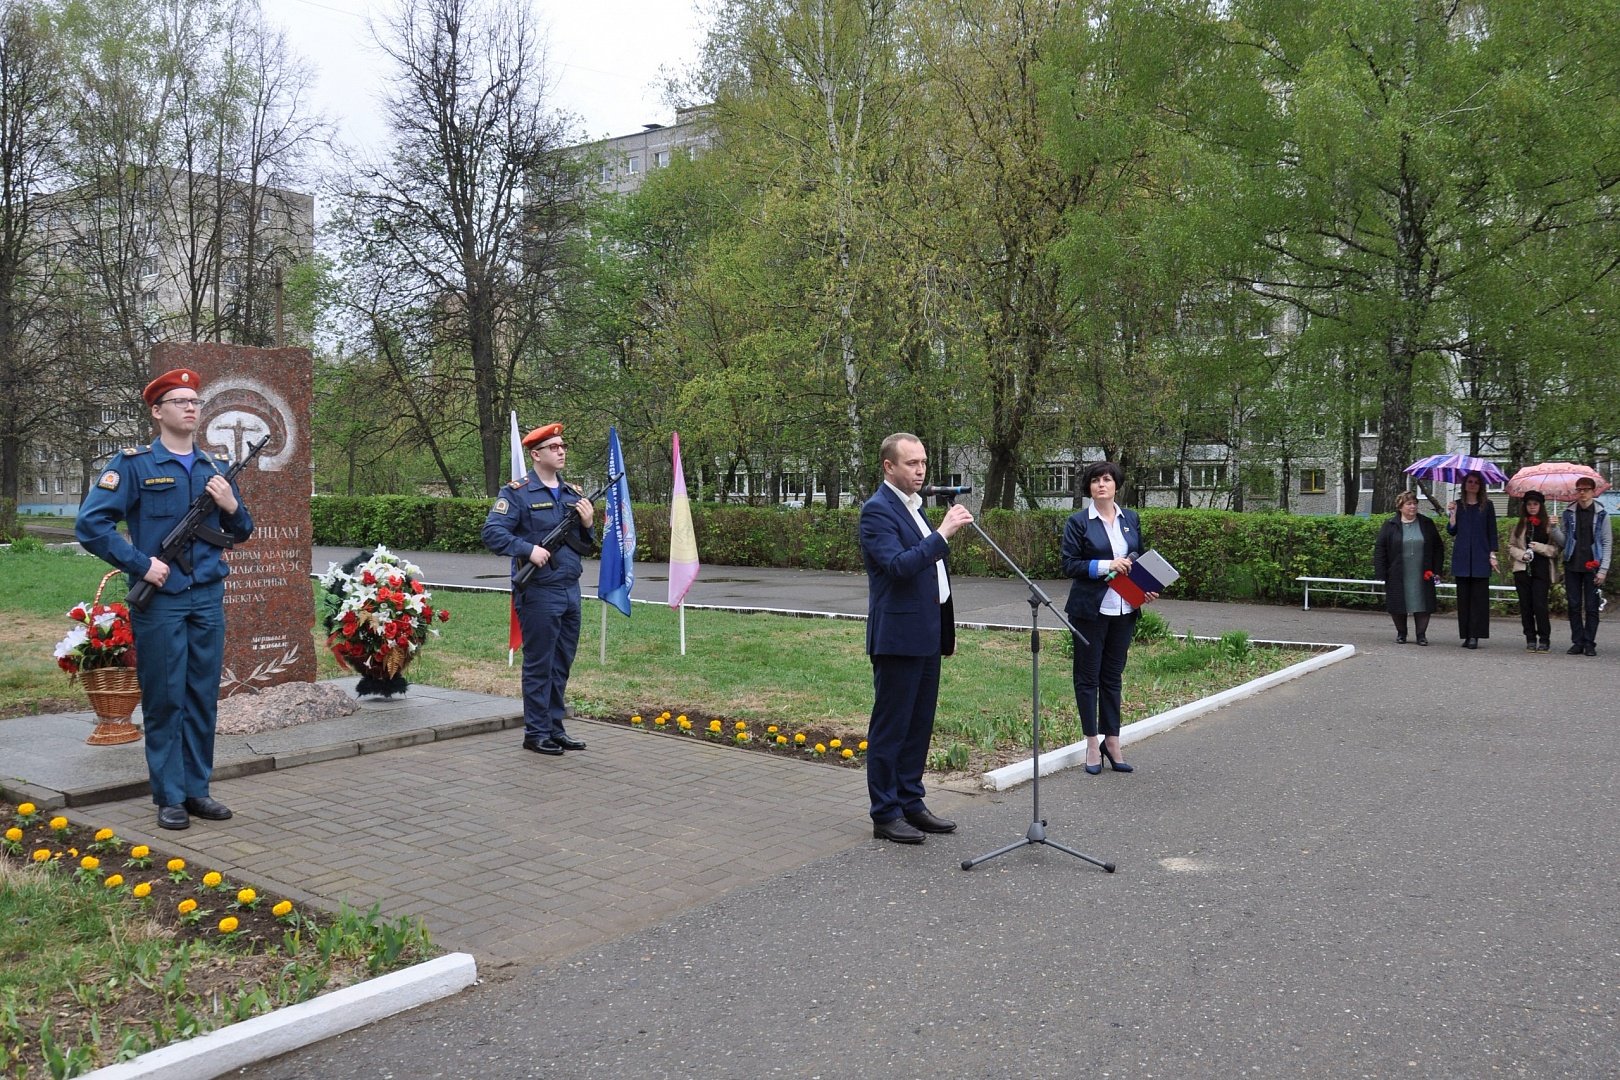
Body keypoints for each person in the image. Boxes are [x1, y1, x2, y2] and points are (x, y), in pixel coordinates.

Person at [75, 369, 255, 831]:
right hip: (162, 600)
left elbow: (242, 530)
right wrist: (141, 564)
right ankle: (169, 795)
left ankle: (198, 790)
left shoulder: (213, 468)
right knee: (165, 698)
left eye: (195, 400)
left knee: (201, 696)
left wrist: (231, 506)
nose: (191, 407)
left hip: (207, 598)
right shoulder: (133, 465)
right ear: (158, 411)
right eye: (179, 401)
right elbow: (91, 525)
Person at [859, 432, 973, 844]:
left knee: (919, 724)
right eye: (912, 463)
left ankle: (911, 801)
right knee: (892, 726)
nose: (921, 469)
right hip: (897, 637)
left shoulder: (915, 508)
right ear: (889, 466)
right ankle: (885, 813)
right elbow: (899, 566)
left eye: (923, 462)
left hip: (927, 633)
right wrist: (942, 534)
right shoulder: (878, 511)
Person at [482, 423, 596, 755]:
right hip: (539, 592)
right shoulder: (517, 493)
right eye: (554, 447)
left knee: (561, 662)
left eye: (563, 445)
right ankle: (535, 732)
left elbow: (584, 546)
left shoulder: (572, 494)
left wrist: (588, 525)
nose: (561, 451)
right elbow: (492, 533)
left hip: (569, 590)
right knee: (539, 664)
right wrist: (527, 549)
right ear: (536, 454)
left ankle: (555, 728)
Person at [1061, 461, 1157, 776]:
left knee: (1112, 678)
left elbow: (1137, 558)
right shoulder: (1078, 522)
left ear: (1116, 485)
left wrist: (1146, 588)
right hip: (1090, 610)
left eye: (1107, 479)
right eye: (1095, 480)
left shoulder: (1131, 519)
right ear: (1088, 487)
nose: (1102, 485)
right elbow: (1069, 564)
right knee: (1087, 678)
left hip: (1125, 607)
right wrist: (1107, 565)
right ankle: (1091, 742)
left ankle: (1112, 741)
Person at [1372, 491, 1445, 645]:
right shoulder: (1390, 525)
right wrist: (1381, 572)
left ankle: (1421, 635)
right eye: (1409, 504)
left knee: (1422, 601)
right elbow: (1380, 549)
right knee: (1398, 602)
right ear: (1400, 507)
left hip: (1423, 570)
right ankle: (1401, 633)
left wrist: (1437, 570)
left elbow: (1438, 547)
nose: (1413, 506)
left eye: (1415, 503)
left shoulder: (1426, 523)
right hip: (1398, 571)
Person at [1446, 470, 1499, 649]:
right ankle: (1466, 634)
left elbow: (1492, 532)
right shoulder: (1458, 505)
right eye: (1470, 481)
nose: (1473, 484)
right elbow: (1452, 531)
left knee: (1479, 599)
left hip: (1480, 557)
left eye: (1476, 482)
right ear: (1464, 484)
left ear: (1480, 485)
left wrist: (1492, 554)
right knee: (1464, 599)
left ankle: (1475, 635)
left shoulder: (1487, 506)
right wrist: (1452, 515)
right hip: (1462, 558)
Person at [1506, 490, 1564, 652]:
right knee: (1526, 606)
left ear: (1541, 506)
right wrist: (1522, 555)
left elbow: (1555, 550)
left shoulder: (1548, 525)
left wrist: (1540, 547)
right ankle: (1530, 638)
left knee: (1540, 605)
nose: (1532, 507)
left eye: (1535, 504)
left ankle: (1544, 638)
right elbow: (1511, 546)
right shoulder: (1520, 525)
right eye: (1529, 504)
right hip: (1523, 571)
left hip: (1541, 571)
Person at [1560, 476, 1610, 657]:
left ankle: (1589, 643)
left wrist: (1603, 569)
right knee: (1573, 606)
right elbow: (1564, 541)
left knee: (1591, 606)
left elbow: (1606, 543)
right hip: (1572, 564)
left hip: (1593, 566)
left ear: (1593, 492)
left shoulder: (1602, 514)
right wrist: (1554, 529)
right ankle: (1577, 642)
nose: (1582, 493)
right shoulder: (1568, 513)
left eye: (1586, 489)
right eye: (1579, 489)